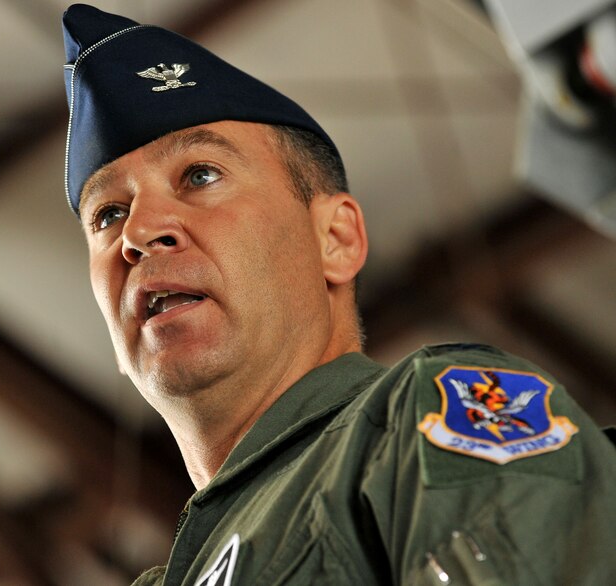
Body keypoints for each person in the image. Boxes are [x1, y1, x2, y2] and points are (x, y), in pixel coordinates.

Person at [60, 4, 616, 585]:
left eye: (199, 175)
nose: (139, 233)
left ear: (336, 239)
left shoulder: (417, 427)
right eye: (108, 214)